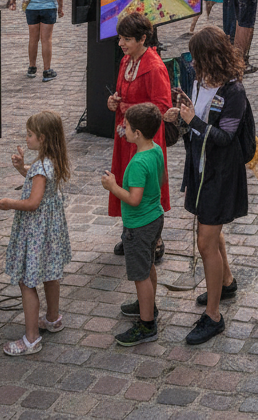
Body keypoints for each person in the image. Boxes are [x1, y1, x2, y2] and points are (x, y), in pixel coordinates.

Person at [172, 28, 250, 346]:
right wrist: (179, 117)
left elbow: (224, 138)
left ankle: (214, 317)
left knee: (205, 243)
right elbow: (195, 121)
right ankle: (226, 282)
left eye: (195, 56)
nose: (191, 62)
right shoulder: (197, 80)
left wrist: (193, 121)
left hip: (221, 174)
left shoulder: (234, 92)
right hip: (200, 170)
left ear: (209, 57)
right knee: (211, 234)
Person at [0, 111, 72, 356]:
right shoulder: (53, 160)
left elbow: (33, 202)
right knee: (50, 273)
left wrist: (9, 203)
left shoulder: (40, 166)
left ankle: (31, 339)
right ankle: (52, 318)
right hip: (50, 229)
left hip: (36, 229)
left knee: (27, 281)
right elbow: (40, 180)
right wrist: (22, 168)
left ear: (43, 138)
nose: (26, 139)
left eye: (29, 135)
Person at [101, 102, 166, 346]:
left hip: (139, 225)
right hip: (154, 217)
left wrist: (113, 186)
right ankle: (147, 305)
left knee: (140, 275)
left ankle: (147, 324)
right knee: (148, 266)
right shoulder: (156, 150)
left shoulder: (138, 162)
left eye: (126, 126)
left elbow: (134, 199)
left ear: (137, 134)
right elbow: (161, 180)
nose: (123, 129)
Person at [107, 12, 171, 256]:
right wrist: (113, 101)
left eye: (126, 39)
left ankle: (155, 240)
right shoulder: (127, 60)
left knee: (146, 188)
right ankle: (131, 231)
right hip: (127, 136)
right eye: (120, 39)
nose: (121, 44)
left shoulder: (154, 67)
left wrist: (127, 109)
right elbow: (121, 92)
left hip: (145, 140)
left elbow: (162, 107)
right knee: (127, 182)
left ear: (142, 39)